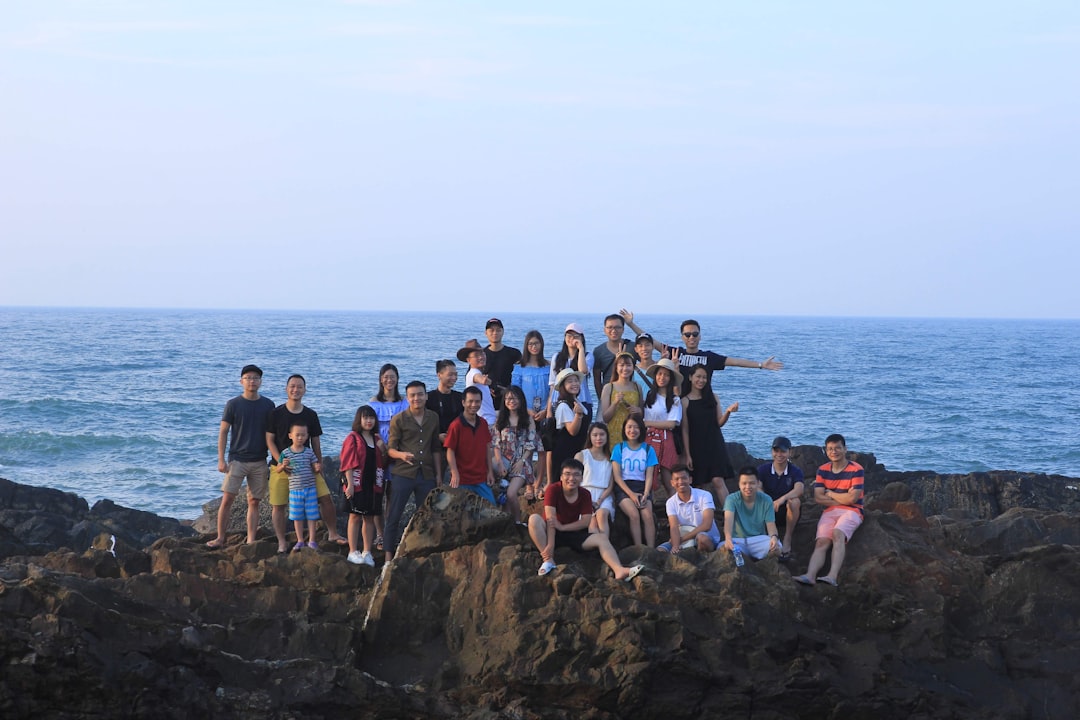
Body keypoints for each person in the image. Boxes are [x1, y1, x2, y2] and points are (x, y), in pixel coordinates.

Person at [528, 458, 645, 582]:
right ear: (561, 477)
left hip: (572, 532)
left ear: (582, 478)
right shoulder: (553, 490)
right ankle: (548, 560)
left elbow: (585, 521)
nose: (571, 478)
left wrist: (563, 527)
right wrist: (550, 546)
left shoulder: (585, 494)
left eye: (576, 475)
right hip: (551, 532)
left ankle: (619, 570)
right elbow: (551, 520)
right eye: (567, 474)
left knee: (602, 538)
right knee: (534, 519)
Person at [266, 374, 345, 554]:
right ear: (286, 389)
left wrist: (319, 464)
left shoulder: (310, 414)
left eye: (299, 386)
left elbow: (315, 442)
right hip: (280, 466)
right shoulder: (275, 413)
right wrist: (281, 462)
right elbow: (269, 440)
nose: (296, 389)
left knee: (325, 498)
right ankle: (281, 542)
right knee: (278, 505)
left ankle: (333, 533)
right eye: (292, 386)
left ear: (305, 390)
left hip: (307, 466)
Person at [210, 364, 275, 549]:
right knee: (227, 499)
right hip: (237, 460)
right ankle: (220, 538)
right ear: (241, 381)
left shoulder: (268, 405)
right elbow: (223, 431)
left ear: (260, 382)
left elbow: (273, 433)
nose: (252, 381)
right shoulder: (233, 404)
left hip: (259, 460)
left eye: (255, 378)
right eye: (248, 378)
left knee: (254, 501)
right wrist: (221, 459)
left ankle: (251, 540)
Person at [794, 434, 865, 587]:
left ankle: (832, 576)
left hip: (853, 511)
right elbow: (818, 498)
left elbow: (853, 499)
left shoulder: (856, 469)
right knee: (821, 542)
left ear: (845, 449)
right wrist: (843, 498)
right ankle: (810, 576)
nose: (834, 452)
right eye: (830, 449)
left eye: (838, 448)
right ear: (826, 451)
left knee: (838, 534)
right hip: (830, 511)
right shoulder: (823, 470)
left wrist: (831, 493)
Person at [385, 381, 443, 561]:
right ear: (407, 398)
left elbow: (435, 448)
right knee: (394, 516)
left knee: (426, 516)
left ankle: (422, 553)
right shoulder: (399, 419)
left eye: (420, 394)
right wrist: (401, 455)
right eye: (412, 395)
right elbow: (390, 449)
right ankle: (388, 557)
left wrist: (438, 474)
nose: (416, 398)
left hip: (426, 474)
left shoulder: (433, 417)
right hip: (403, 473)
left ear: (426, 396)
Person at [675, 319, 783, 396]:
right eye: (687, 334)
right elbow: (659, 346)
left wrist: (761, 365)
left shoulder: (708, 357)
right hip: (681, 403)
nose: (691, 337)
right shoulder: (676, 353)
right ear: (682, 337)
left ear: (700, 336)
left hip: (703, 403)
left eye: (695, 334)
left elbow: (735, 362)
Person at [681, 365, 738, 503]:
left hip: (715, 444)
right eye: (698, 377)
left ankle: (729, 513)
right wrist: (687, 455)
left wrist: (728, 412)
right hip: (696, 446)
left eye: (704, 377)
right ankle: (699, 514)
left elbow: (719, 422)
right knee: (698, 484)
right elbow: (685, 430)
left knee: (718, 480)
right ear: (690, 377)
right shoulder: (684, 401)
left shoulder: (713, 397)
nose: (701, 380)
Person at [340, 405, 386, 566]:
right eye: (365, 418)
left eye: (371, 418)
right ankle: (352, 551)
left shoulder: (377, 439)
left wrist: (383, 448)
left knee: (369, 518)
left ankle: (367, 552)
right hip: (357, 483)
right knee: (354, 516)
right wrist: (350, 485)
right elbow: (347, 462)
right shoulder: (353, 438)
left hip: (373, 484)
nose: (368, 421)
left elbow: (384, 461)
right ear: (359, 420)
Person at [371, 363, 408, 551]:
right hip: (378, 453)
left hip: (398, 454)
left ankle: (389, 533)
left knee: (392, 496)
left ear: (397, 379)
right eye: (386, 377)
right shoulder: (373, 403)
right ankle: (379, 535)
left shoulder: (404, 402)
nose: (389, 380)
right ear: (380, 379)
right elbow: (369, 427)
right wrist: (382, 446)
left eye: (392, 377)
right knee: (377, 495)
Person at [511, 330, 550, 496]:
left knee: (543, 450)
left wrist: (546, 410)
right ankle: (528, 484)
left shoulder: (548, 366)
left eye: (537, 343)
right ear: (526, 345)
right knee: (526, 448)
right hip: (526, 413)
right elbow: (515, 391)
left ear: (542, 344)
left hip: (545, 413)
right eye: (531, 343)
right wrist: (526, 410)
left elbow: (553, 391)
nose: (534, 346)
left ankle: (538, 483)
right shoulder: (519, 367)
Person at [611, 415, 659, 547]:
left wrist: (646, 493)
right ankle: (639, 548)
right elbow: (617, 477)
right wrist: (631, 495)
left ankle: (651, 549)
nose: (632, 430)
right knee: (634, 514)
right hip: (624, 487)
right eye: (629, 427)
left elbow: (649, 476)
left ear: (641, 429)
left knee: (647, 515)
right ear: (624, 429)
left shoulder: (648, 449)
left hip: (642, 487)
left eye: (636, 427)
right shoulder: (619, 448)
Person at [491, 385, 537, 524]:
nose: (512, 401)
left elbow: (531, 444)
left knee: (511, 494)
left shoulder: (528, 420)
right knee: (501, 489)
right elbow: (496, 444)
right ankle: (504, 521)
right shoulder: (500, 419)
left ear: (521, 400)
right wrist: (499, 463)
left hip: (521, 461)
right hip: (504, 459)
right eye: (508, 398)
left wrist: (522, 461)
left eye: (515, 398)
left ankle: (518, 522)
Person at [444, 386, 497, 503]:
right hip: (462, 479)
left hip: (481, 478)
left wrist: (490, 472)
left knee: (491, 505)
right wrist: (454, 472)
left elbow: (487, 448)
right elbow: (450, 451)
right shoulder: (456, 425)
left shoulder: (483, 423)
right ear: (463, 402)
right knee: (460, 508)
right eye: (470, 401)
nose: (474, 405)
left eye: (477, 401)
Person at [756, 436, 804, 561]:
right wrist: (768, 500)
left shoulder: (795, 471)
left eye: (783, 451)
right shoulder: (763, 469)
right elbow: (757, 487)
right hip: (767, 510)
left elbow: (799, 489)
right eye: (776, 451)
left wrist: (782, 499)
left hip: (787, 512)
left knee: (795, 501)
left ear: (790, 452)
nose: (779, 454)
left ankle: (787, 537)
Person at [658, 464, 721, 554]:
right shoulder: (670, 502)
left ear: (690, 480)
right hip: (683, 539)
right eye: (677, 479)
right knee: (660, 550)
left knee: (702, 539)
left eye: (684, 478)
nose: (680, 482)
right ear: (672, 483)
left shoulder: (704, 495)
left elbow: (707, 525)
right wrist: (675, 546)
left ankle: (700, 558)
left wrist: (682, 539)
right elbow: (674, 527)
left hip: (705, 536)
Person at [643, 358, 683, 496]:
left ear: (671, 378)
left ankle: (676, 506)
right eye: (660, 374)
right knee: (648, 475)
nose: (662, 377)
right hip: (648, 438)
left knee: (668, 478)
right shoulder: (650, 395)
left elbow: (672, 423)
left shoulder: (675, 399)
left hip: (666, 439)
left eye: (666, 375)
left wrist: (648, 423)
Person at [547, 368, 592, 489]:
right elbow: (572, 431)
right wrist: (578, 415)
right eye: (570, 381)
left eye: (576, 381)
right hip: (565, 452)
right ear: (563, 386)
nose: (574, 384)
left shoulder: (576, 401)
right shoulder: (563, 406)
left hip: (576, 449)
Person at [723, 467, 781, 560]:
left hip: (758, 539)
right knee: (724, 550)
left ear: (758, 483)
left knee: (777, 547)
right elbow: (728, 521)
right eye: (744, 483)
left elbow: (771, 525)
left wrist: (774, 537)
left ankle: (761, 562)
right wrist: (728, 538)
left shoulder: (766, 500)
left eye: (752, 483)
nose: (748, 487)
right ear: (739, 484)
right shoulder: (731, 499)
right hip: (737, 540)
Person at [281, 423, 322, 552]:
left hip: (310, 488)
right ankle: (300, 540)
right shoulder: (286, 453)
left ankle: (312, 540)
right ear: (290, 436)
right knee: (297, 517)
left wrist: (317, 467)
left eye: (303, 435)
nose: (300, 438)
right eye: (297, 435)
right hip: (295, 490)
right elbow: (278, 469)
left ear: (307, 436)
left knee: (312, 515)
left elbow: (315, 465)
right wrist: (283, 466)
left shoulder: (309, 452)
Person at [575, 423, 615, 537]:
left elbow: (610, 485)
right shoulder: (581, 455)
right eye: (595, 435)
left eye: (602, 434)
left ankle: (604, 544)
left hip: (604, 495)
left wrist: (599, 501)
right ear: (590, 437)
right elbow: (575, 481)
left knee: (601, 515)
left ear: (607, 436)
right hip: (584, 494)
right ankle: (600, 546)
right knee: (592, 522)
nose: (598, 438)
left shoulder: (611, 458)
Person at [427, 359, 463, 484]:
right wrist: (437, 436)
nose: (454, 378)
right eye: (450, 375)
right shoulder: (429, 398)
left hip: (456, 445)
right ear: (439, 375)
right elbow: (422, 423)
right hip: (435, 447)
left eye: (456, 374)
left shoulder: (459, 397)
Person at [599, 352, 643, 446]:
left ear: (633, 367)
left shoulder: (637, 387)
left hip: (632, 432)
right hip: (614, 432)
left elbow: (642, 413)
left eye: (628, 365)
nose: (625, 368)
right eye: (621, 365)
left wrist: (639, 410)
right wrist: (615, 403)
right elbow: (605, 418)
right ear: (616, 367)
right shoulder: (609, 387)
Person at [549, 323, 594, 409]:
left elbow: (582, 371)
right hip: (559, 401)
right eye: (569, 336)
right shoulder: (557, 357)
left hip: (581, 400)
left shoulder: (588, 356)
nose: (572, 339)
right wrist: (549, 409)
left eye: (576, 336)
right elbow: (552, 384)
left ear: (581, 338)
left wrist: (581, 349)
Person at [482, 318, 521, 411]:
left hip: (510, 401)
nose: (495, 333)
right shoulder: (481, 355)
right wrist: (487, 389)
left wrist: (508, 390)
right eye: (491, 330)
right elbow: (472, 376)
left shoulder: (514, 353)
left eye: (498, 330)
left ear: (503, 332)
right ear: (486, 333)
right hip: (486, 402)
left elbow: (523, 375)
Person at [592, 313, 632, 399]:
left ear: (623, 329)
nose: (614, 330)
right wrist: (602, 399)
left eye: (617, 327)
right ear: (604, 330)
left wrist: (631, 324)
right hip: (608, 395)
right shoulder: (598, 351)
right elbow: (597, 380)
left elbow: (649, 343)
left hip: (630, 394)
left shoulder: (632, 347)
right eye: (610, 327)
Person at [458, 340, 497, 426]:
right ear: (468, 360)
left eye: (482, 354)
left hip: (488, 420)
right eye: (476, 355)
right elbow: (479, 378)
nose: (481, 357)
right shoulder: (473, 373)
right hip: (485, 421)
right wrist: (485, 381)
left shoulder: (476, 372)